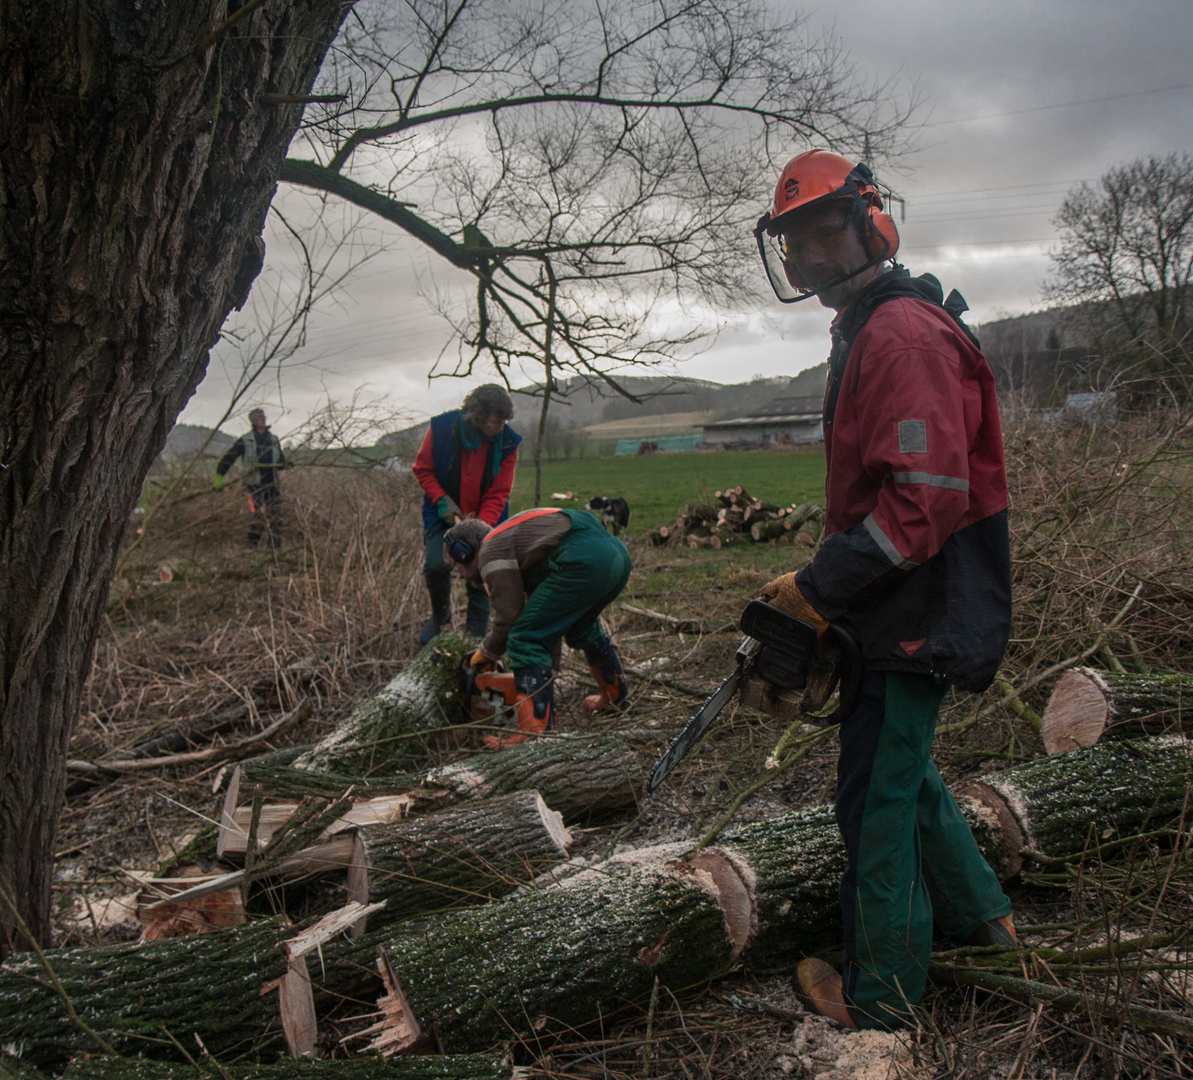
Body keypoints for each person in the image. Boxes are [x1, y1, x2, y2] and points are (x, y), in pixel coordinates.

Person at [752, 149, 1015, 1030]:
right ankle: (986, 924)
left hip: (920, 601)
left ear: (871, 221)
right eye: (796, 245)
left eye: (826, 233)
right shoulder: (866, 326)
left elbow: (923, 500)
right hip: (893, 600)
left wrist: (817, 591)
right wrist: (822, 594)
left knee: (875, 804)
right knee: (905, 776)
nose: (813, 259)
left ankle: (883, 997)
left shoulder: (899, 334)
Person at [444, 508, 631, 749]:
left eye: (455, 564)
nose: (458, 575)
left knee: (524, 638)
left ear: (465, 551)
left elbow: (510, 615)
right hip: (617, 558)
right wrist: (547, 674)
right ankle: (615, 699)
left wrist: (488, 652)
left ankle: (532, 734)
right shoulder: (517, 543)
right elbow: (543, 622)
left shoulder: (491, 549)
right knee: (581, 629)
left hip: (583, 562)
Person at [413, 385, 521, 644]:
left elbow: (500, 489)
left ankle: (475, 632)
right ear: (478, 414)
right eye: (496, 421)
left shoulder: (507, 441)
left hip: (488, 518)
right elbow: (423, 469)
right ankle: (440, 616)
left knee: (482, 568)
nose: (501, 427)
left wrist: (480, 526)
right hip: (443, 513)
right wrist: (442, 501)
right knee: (437, 566)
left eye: (504, 421)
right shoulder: (442, 428)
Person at [214, 408, 287, 548]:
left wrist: (285, 464)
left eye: (264, 416)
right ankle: (252, 545)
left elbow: (281, 461)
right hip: (254, 484)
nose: (263, 419)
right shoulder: (246, 440)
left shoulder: (273, 439)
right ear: (252, 420)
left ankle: (275, 547)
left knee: (276, 514)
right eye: (260, 417)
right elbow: (230, 457)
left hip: (272, 482)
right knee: (259, 513)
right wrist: (219, 474)